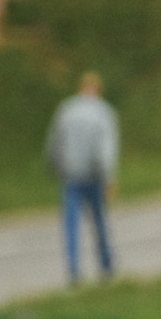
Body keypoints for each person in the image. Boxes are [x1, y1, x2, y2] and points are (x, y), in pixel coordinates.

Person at [46, 72, 119, 284]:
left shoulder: (67, 110)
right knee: (99, 220)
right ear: (98, 90)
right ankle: (106, 264)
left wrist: (54, 165)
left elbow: (55, 141)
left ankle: (74, 268)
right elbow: (106, 150)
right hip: (94, 175)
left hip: (71, 174)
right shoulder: (104, 113)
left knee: (72, 223)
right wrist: (109, 177)